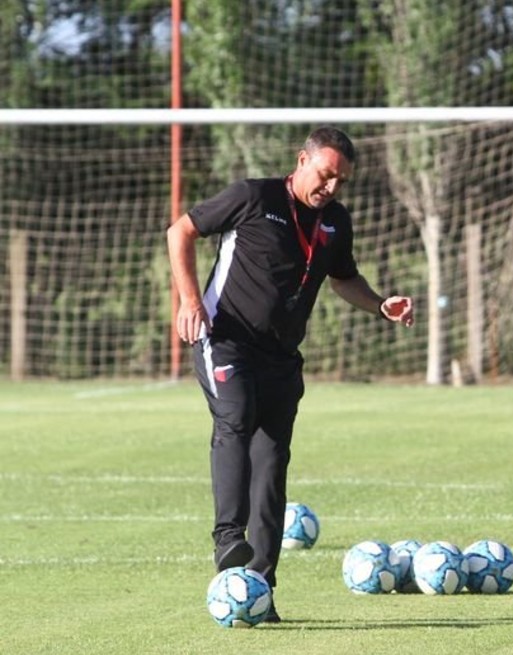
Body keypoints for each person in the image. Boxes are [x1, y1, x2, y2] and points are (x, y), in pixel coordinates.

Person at [166, 127, 414, 622]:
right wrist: (190, 300)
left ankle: (260, 586)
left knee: (273, 461)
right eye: (325, 175)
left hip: (282, 357)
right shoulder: (253, 197)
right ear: (302, 161)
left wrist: (379, 305)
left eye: (341, 180)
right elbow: (181, 231)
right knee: (234, 420)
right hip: (226, 339)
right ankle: (228, 539)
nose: (332, 188)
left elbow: (344, 278)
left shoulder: (336, 222)